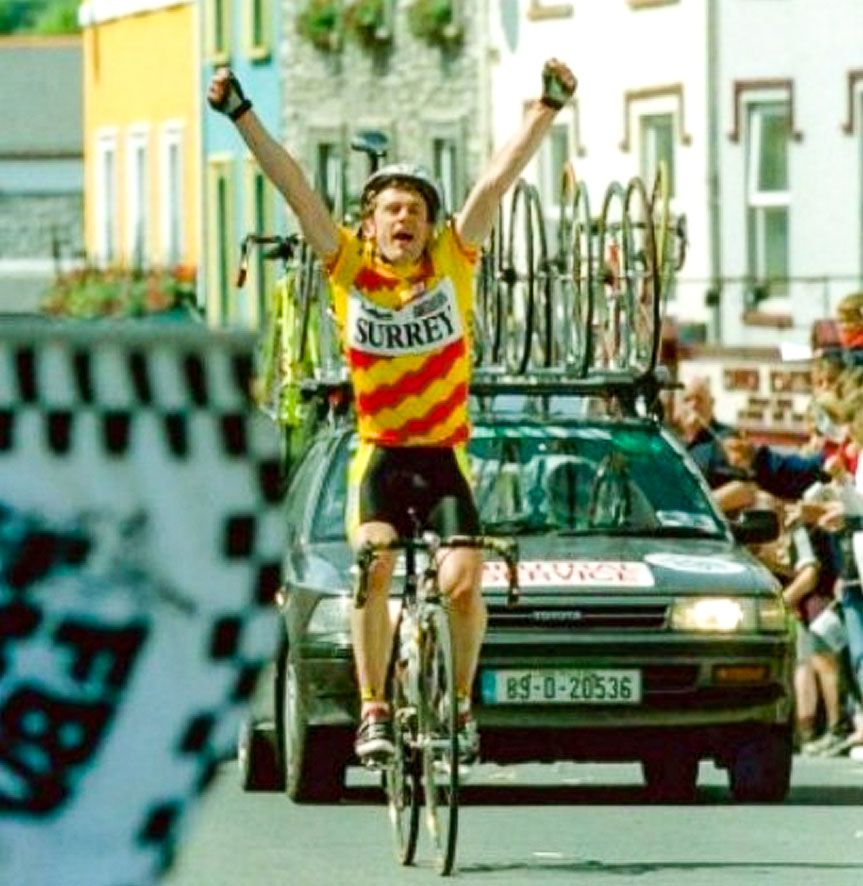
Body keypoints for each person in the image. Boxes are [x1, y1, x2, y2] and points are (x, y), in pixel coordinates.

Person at [207, 59, 577, 764]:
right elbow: (294, 188)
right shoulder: (348, 267)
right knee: (374, 562)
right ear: (369, 225)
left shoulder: (452, 264)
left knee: (464, 584)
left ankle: (461, 710)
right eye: (390, 210)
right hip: (381, 453)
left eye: (415, 210)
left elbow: (496, 181)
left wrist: (545, 108)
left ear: (431, 225)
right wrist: (240, 113)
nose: (403, 218)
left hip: (443, 454)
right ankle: (374, 708)